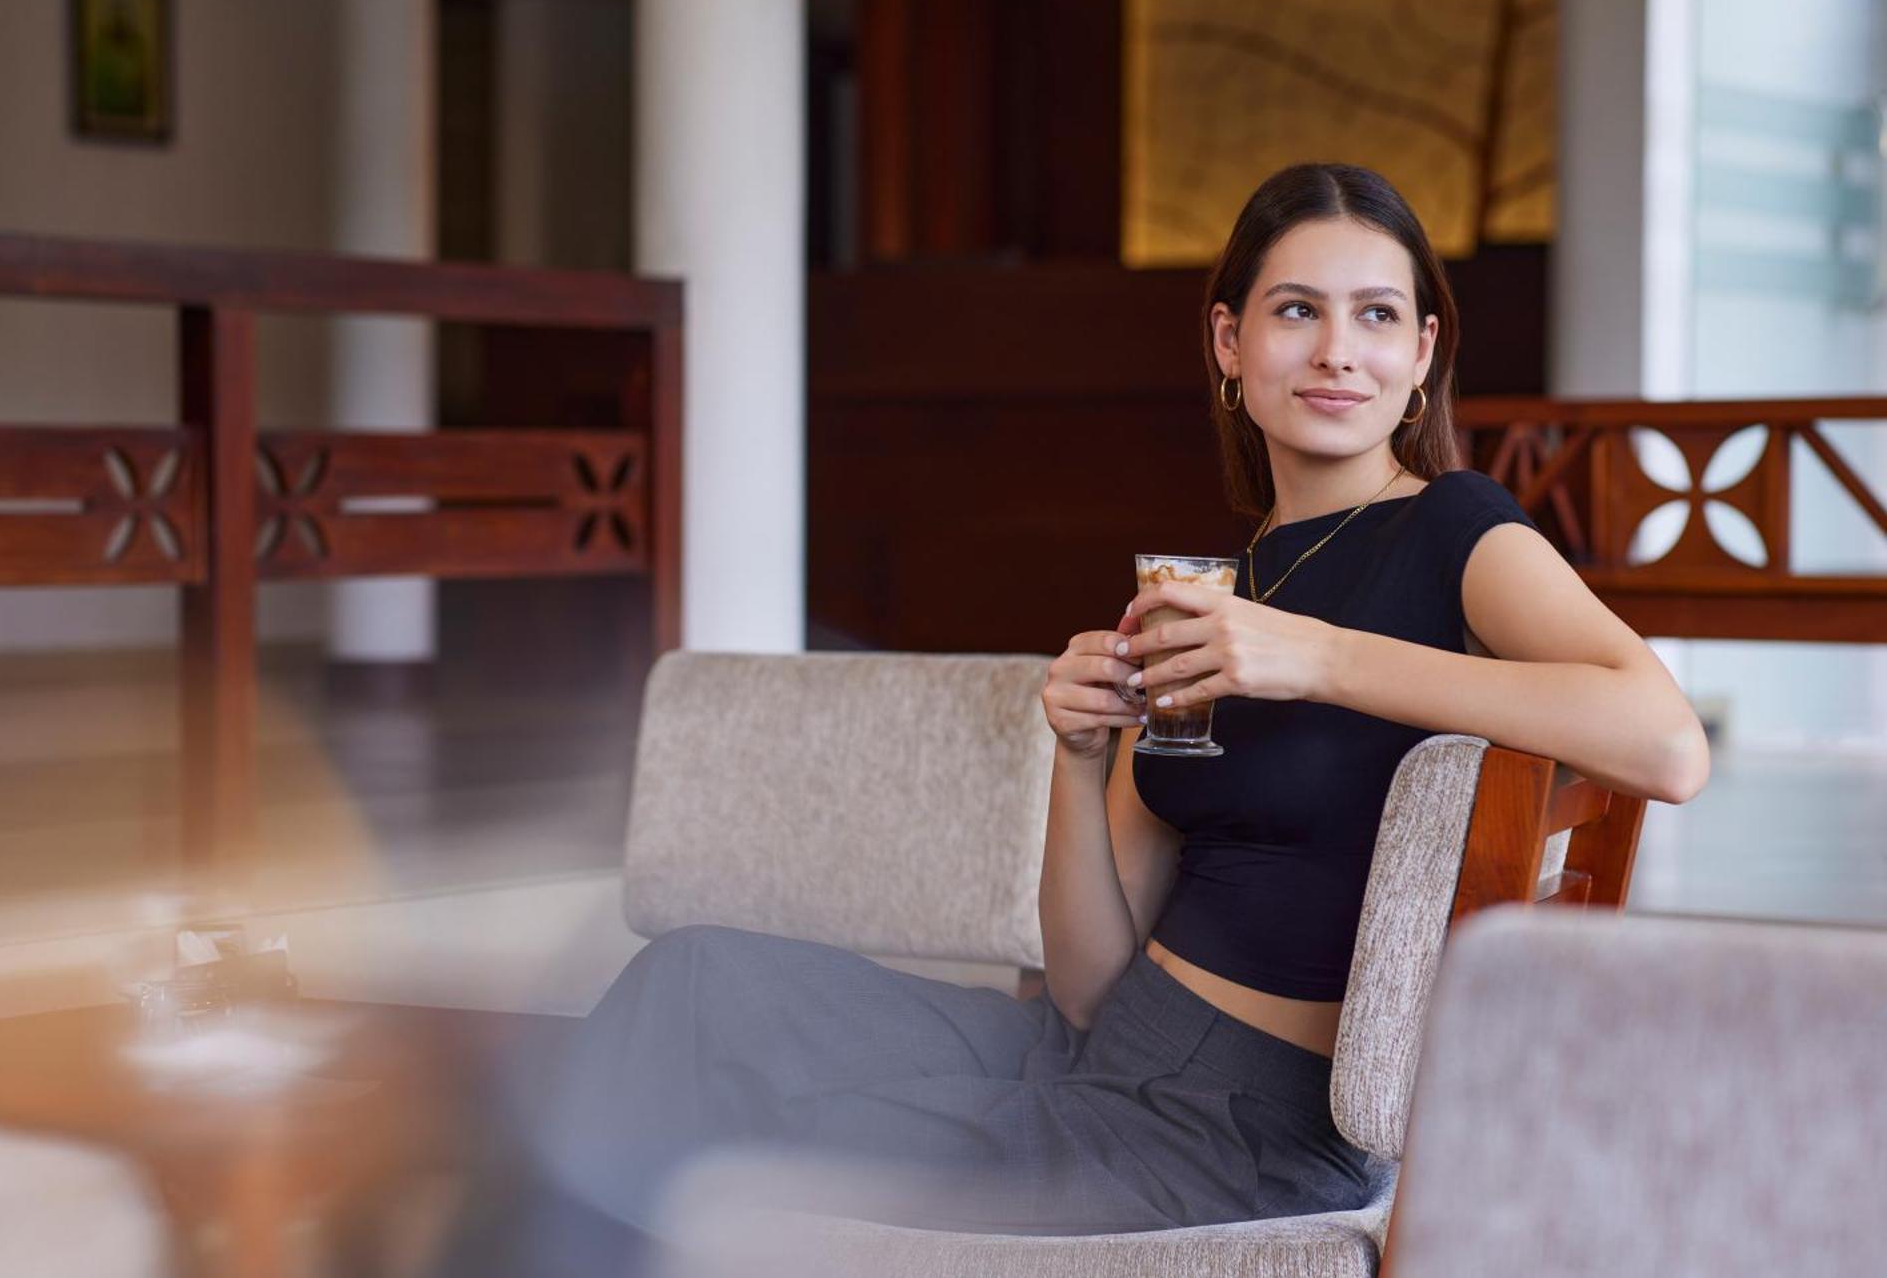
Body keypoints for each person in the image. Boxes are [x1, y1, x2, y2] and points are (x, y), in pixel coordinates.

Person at [439, 163, 1710, 1276]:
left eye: (1377, 317)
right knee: (695, 985)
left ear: (1421, 352)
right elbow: (1096, 981)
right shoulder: (1222, 587)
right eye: (1294, 311)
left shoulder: (1450, 531)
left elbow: (1662, 738)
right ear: (1227, 342)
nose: (1337, 352)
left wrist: (1317, 660)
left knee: (690, 1125)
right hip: (1094, 1055)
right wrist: (1076, 751)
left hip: (1228, 1140)